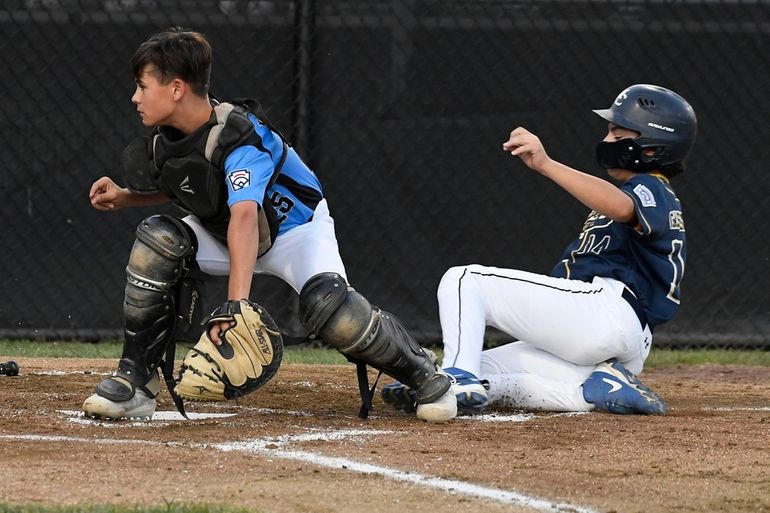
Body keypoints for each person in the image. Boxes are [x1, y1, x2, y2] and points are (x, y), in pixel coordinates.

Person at [82, 27, 455, 422]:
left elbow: (245, 215)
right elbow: (193, 184)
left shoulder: (240, 138)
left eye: (142, 86)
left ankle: (425, 373)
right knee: (158, 239)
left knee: (332, 310)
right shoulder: (168, 140)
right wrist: (128, 197)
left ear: (176, 89)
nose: (135, 97)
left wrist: (236, 306)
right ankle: (135, 381)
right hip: (222, 230)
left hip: (294, 232)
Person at [382, 84, 696, 418]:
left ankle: (458, 379)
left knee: (465, 280)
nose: (606, 142)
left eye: (618, 136)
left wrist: (545, 164)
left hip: (606, 311)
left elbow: (621, 207)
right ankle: (600, 388)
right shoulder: (646, 193)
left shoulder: (652, 187)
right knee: (488, 367)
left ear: (651, 150)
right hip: (622, 342)